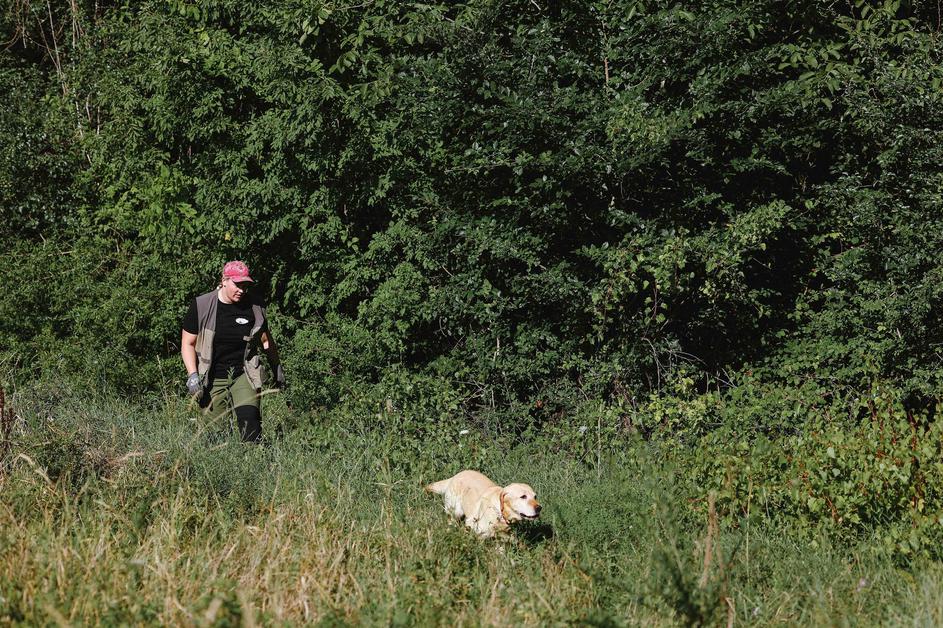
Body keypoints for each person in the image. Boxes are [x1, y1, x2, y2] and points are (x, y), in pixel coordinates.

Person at [180, 260, 285, 442]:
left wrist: (277, 368)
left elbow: (266, 341)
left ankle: (253, 457)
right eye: (237, 285)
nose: (242, 290)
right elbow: (187, 343)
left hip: (244, 373)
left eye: (245, 285)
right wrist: (193, 375)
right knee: (215, 435)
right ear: (224, 280)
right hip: (212, 377)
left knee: (250, 425)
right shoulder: (202, 305)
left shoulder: (255, 306)